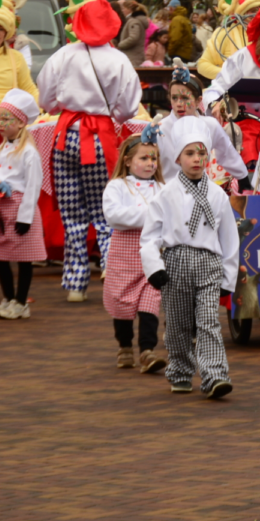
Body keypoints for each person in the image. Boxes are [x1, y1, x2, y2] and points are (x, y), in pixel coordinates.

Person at [38, 0, 142, 303]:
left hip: (65, 136)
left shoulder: (63, 55)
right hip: (99, 136)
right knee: (104, 209)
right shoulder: (118, 59)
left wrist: (61, 105)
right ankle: (110, 266)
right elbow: (128, 107)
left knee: (72, 213)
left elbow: (46, 99)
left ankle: (75, 281)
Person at [140, 116, 239, 399]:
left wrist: (227, 277)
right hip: (176, 262)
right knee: (179, 323)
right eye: (190, 153)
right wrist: (154, 268)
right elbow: (150, 236)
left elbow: (230, 238)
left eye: (201, 153)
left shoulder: (217, 195)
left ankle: (215, 376)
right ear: (178, 158)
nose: (197, 159)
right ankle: (181, 370)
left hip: (208, 263)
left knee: (209, 321)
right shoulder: (166, 194)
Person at [103, 127, 167, 374]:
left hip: (153, 255)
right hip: (124, 254)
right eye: (144, 157)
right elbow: (114, 216)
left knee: (150, 302)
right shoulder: (117, 186)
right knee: (122, 303)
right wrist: (152, 216)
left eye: (154, 158)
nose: (150, 162)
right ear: (128, 161)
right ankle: (124, 346)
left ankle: (147, 351)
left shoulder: (162, 188)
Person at [0, 89, 46, 321]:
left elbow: (33, 186)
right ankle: (7, 298)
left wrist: (25, 217)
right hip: (1, 208)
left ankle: (21, 302)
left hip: (19, 208)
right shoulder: (1, 150)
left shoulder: (29, 152)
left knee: (24, 258)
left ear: (20, 123)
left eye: (5, 118)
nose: (0, 123)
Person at [159, 68, 247, 184]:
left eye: (185, 98)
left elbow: (228, 154)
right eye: (174, 98)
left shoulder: (210, 125)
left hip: (201, 189)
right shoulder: (160, 129)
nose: (179, 104)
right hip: (167, 191)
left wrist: (243, 180)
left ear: (198, 101)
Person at [196, 0, 260, 82]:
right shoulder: (224, 34)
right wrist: (229, 75)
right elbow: (202, 65)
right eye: (251, 9)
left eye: (259, 9)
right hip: (232, 94)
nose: (255, 14)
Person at [117, 0, 149, 66]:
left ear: (129, 9)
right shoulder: (133, 20)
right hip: (134, 56)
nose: (122, 10)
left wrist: (120, 45)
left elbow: (133, 37)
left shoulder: (133, 21)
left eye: (123, 8)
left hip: (133, 58)